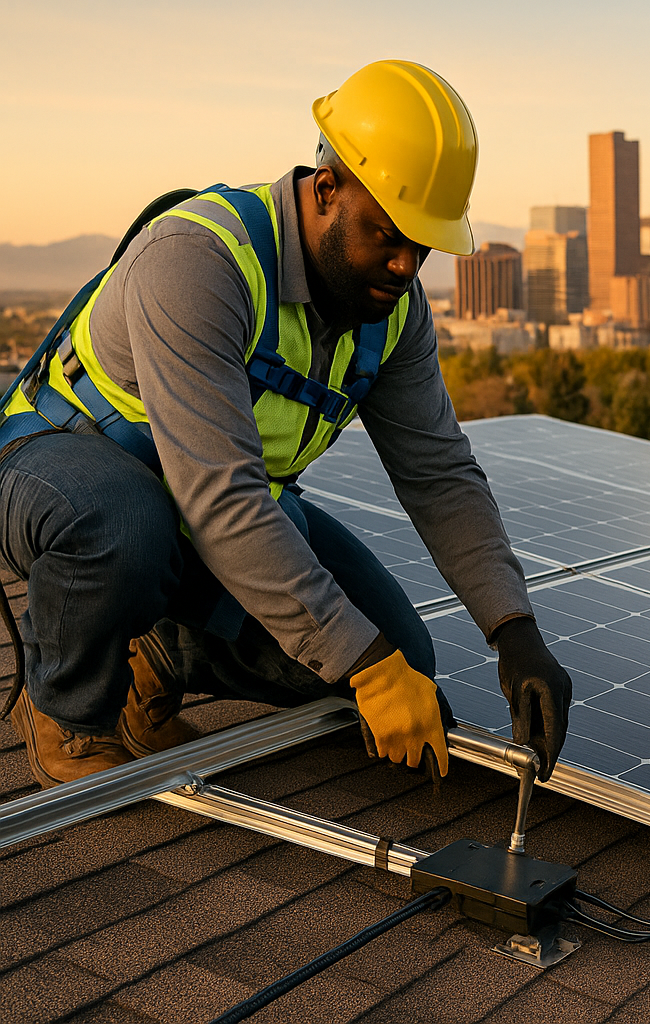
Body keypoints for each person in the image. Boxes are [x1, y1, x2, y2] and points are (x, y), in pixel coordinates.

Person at [0, 60, 571, 791]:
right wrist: (364, 666)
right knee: (126, 527)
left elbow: (439, 475)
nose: (405, 264)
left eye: (424, 245)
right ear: (326, 189)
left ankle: (158, 659)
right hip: (59, 470)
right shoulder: (202, 259)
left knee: (405, 657)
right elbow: (223, 497)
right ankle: (69, 715)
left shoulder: (392, 309)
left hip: (201, 504)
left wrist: (514, 630)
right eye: (388, 235)